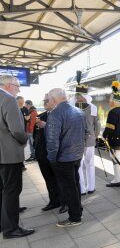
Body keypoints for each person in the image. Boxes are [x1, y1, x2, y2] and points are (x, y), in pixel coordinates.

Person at [0, 74, 35, 239]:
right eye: (16, 85)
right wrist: (25, 138)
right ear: (7, 85)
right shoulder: (8, 99)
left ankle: (3, 224)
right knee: (12, 190)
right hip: (8, 155)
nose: (19, 89)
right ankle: (11, 228)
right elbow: (17, 130)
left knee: (3, 190)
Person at [46, 88, 86, 227]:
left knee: (68, 188)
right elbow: (84, 133)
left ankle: (75, 218)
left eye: (49, 99)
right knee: (74, 185)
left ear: (54, 99)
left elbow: (52, 140)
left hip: (63, 158)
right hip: (76, 156)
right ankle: (77, 211)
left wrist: (51, 158)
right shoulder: (78, 111)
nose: (48, 101)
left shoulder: (55, 114)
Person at [34, 93, 66, 213]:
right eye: (44, 101)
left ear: (53, 101)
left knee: (60, 179)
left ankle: (64, 202)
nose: (44, 103)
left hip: (56, 153)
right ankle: (54, 201)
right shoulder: (40, 115)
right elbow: (35, 134)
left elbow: (63, 131)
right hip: (42, 153)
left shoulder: (60, 115)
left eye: (47, 100)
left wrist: (46, 126)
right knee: (48, 179)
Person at [75, 83, 100, 195]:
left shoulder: (73, 107)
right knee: (89, 163)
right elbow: (97, 124)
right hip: (89, 139)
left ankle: (82, 189)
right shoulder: (93, 107)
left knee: (79, 164)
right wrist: (95, 135)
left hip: (77, 140)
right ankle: (91, 187)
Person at [103, 81, 120, 187]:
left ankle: (117, 180)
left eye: (110, 99)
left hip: (115, 140)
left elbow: (110, 127)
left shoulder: (112, 112)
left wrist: (104, 135)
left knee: (116, 160)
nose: (109, 101)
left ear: (114, 101)